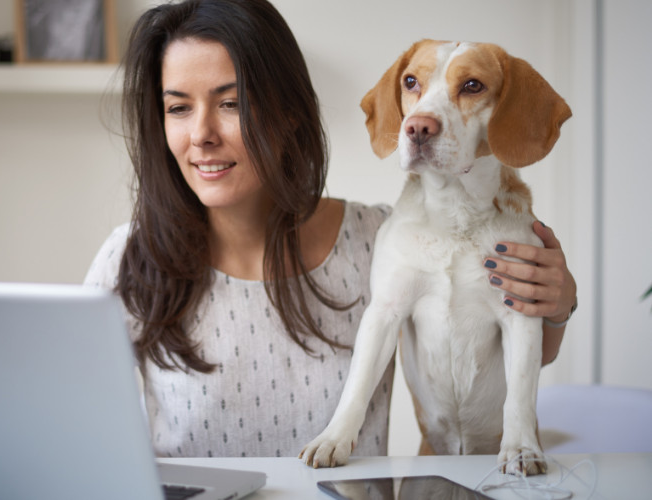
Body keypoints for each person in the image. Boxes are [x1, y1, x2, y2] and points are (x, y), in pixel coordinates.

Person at [84, 0, 577, 458]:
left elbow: (494, 348)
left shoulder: (379, 238)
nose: (202, 135)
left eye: (231, 103)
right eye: (178, 108)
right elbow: (69, 414)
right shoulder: (128, 258)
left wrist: (557, 305)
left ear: (291, 114)